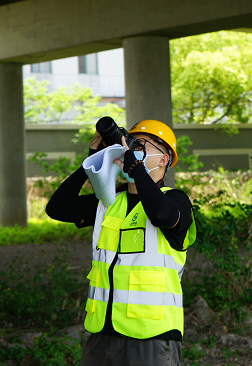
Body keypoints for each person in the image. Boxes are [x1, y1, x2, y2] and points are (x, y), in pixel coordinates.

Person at [46, 119, 197, 366]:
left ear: (163, 159)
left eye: (141, 145)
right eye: (130, 143)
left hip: (151, 334)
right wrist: (92, 163)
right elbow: (57, 208)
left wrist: (136, 169)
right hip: (103, 332)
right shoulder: (108, 203)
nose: (132, 149)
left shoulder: (176, 200)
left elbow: (162, 216)